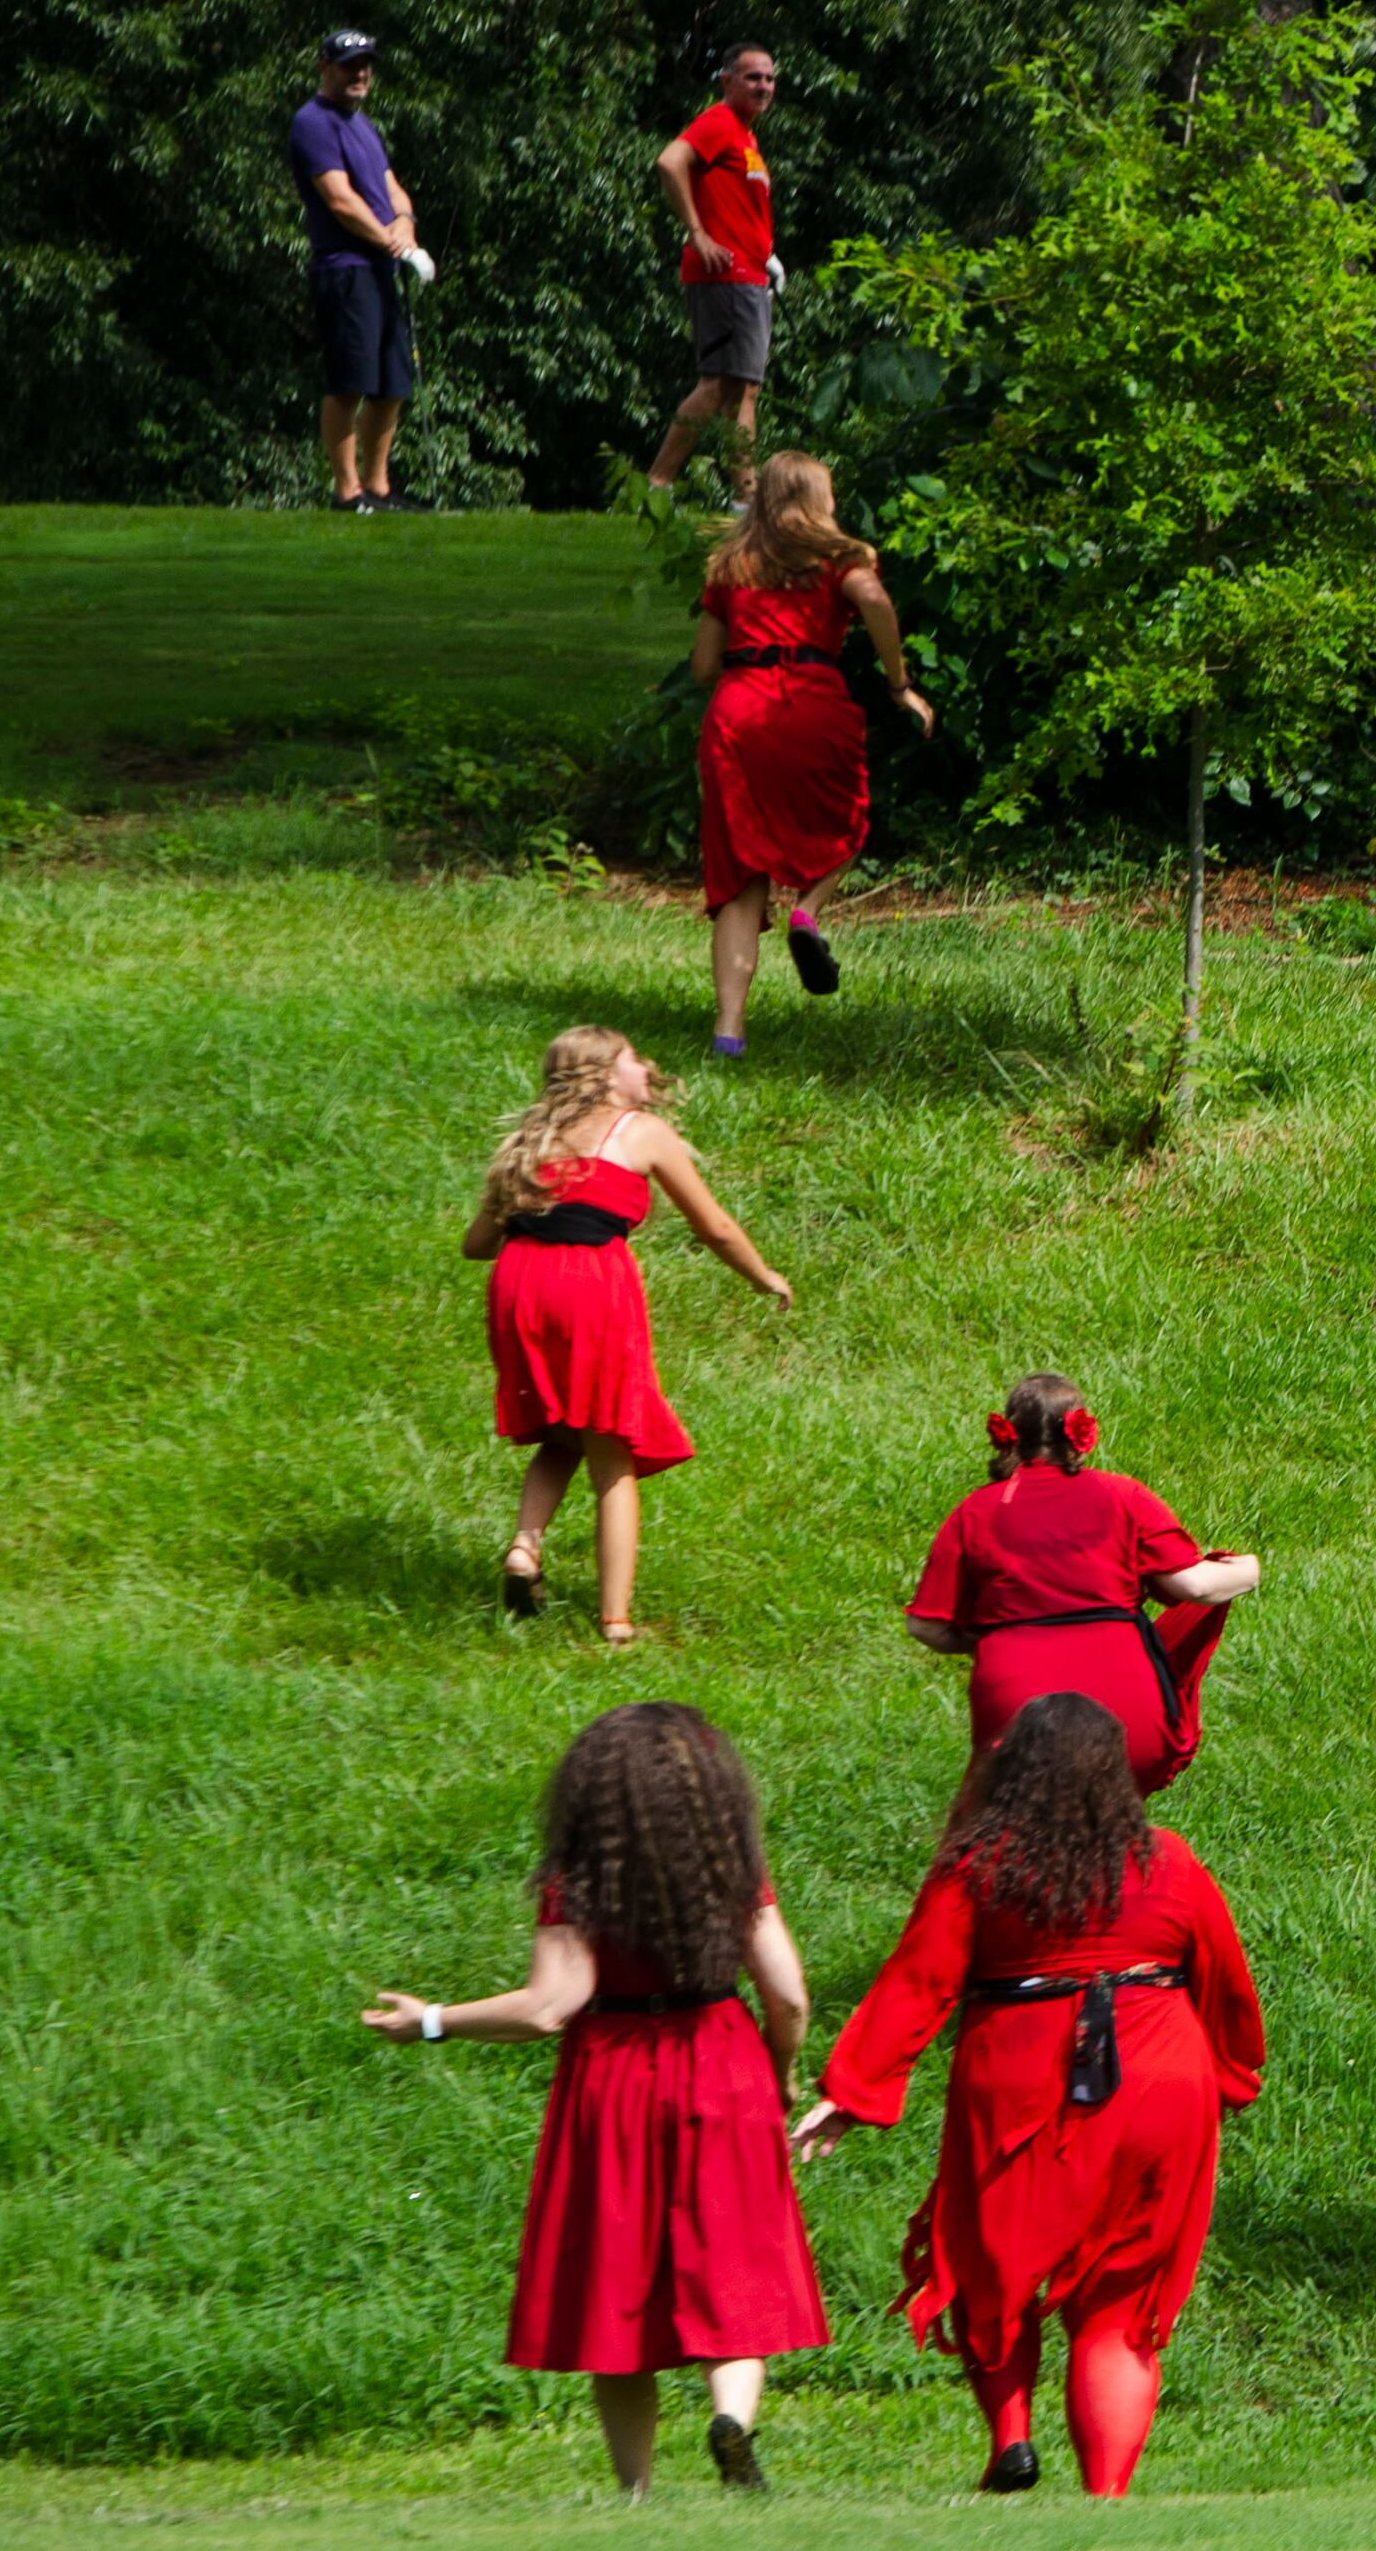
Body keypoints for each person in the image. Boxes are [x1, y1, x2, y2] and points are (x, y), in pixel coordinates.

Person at [795, 1693, 1265, 2498]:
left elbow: (919, 1983)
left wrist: (853, 2089)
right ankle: (1105, 2497)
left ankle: (1012, 2440)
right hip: (1159, 2076)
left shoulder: (978, 1866)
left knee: (992, 2269)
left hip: (1019, 2077)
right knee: (1118, 2306)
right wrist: (1230, 2073)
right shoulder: (1169, 1860)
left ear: (1012, 1770)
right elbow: (1223, 1975)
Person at [358, 1702, 828, 2498]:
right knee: (732, 2262)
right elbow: (788, 1996)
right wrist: (780, 2072)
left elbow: (549, 2006)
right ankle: (731, 2420)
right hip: (722, 2060)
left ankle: (635, 2491)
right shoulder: (730, 1866)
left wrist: (431, 2020)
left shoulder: (578, 1881)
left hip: (615, 2076)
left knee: (619, 2284)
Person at [464, 1027, 794, 1641]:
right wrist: (763, 1276)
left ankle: (524, 1547)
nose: (646, 1067)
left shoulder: (531, 1141)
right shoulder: (640, 1131)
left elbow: (477, 1245)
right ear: (607, 1076)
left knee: (563, 1430)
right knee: (614, 1449)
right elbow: (716, 1228)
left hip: (518, 1285)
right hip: (589, 1285)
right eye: (634, 1058)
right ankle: (616, 1621)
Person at [905, 1372, 1266, 1805]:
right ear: (1080, 1431)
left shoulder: (975, 1511)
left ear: (1008, 1434)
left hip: (1017, 1711)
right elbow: (1194, 1585)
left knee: (1020, 1825)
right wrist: (1249, 1568)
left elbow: (926, 1626)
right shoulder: (1122, 1496)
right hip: (1124, 1708)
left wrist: (991, 1637)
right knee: (1113, 1824)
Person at [689, 452, 933, 1056]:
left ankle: (729, 1031)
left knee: (740, 876)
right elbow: (874, 599)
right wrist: (898, 684)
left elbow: (702, 667)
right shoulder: (841, 559)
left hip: (737, 714)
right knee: (847, 824)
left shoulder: (731, 565)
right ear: (819, 500)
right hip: (811, 704)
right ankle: (807, 914)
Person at [284, 31, 433, 513]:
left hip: (380, 267)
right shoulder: (313, 122)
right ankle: (348, 493)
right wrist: (392, 241)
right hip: (344, 268)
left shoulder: (363, 125)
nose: (361, 73)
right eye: (350, 64)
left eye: (366, 64)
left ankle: (377, 488)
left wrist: (405, 224)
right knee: (349, 383)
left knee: (392, 384)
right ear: (325, 66)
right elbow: (340, 200)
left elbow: (393, 190)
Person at [648, 46, 783, 499]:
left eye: (769, 78)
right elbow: (669, 162)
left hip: (748, 273)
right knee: (721, 385)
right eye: (753, 77)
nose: (763, 86)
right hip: (727, 274)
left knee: (741, 389)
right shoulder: (720, 122)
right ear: (727, 81)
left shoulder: (745, 136)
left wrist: (767, 256)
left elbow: (739, 208)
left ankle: (744, 496)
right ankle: (658, 483)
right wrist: (698, 234)